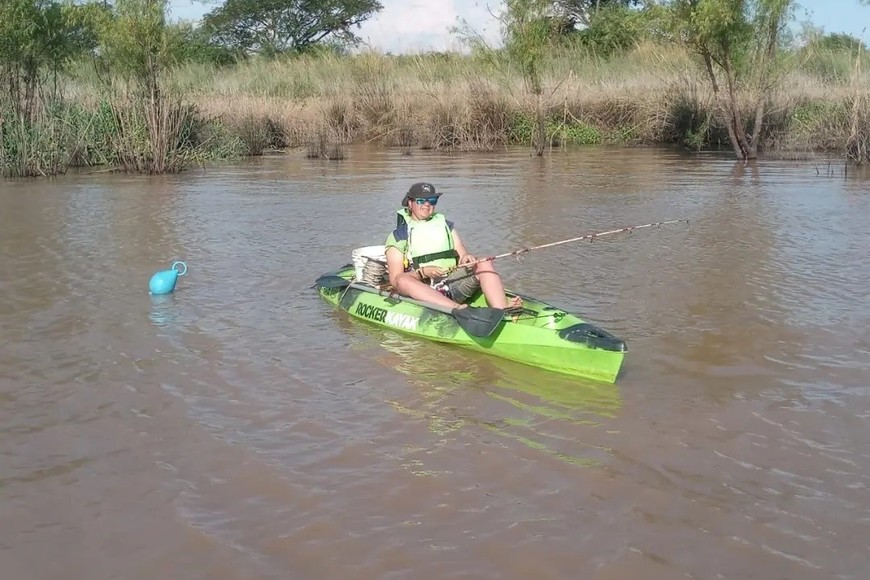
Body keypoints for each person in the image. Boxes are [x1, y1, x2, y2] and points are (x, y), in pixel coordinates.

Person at [384, 182, 522, 311]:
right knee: (402, 281)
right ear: (410, 203)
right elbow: (396, 281)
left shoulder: (447, 227)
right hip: (423, 290)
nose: (427, 204)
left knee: (483, 262)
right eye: (421, 200)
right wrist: (423, 272)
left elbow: (463, 258)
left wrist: (467, 258)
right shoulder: (398, 236)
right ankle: (457, 309)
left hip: (451, 286)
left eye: (432, 200)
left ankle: (502, 309)